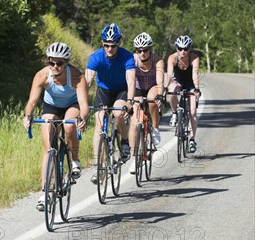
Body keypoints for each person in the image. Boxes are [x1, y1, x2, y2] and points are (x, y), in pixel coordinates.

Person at [23, 42, 89, 211]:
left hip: (72, 105)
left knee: (68, 127)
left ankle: (74, 160)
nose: (55, 66)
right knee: (48, 148)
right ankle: (44, 193)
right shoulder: (42, 76)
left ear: (66, 62)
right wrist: (28, 116)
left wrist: (82, 118)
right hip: (51, 107)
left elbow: (83, 104)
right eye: (51, 62)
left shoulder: (76, 76)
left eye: (59, 63)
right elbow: (32, 101)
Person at [85, 23, 135, 184]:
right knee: (99, 125)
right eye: (106, 45)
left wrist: (129, 102)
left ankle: (125, 141)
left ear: (119, 43)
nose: (109, 49)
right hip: (103, 91)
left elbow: (131, 80)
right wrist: (81, 103)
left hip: (121, 90)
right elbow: (87, 81)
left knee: (119, 113)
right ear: (102, 43)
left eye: (113, 46)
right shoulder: (95, 57)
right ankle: (97, 167)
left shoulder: (127, 56)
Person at [128, 32, 164, 173]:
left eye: (145, 50)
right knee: (134, 122)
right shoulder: (132, 60)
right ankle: (133, 158)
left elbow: (160, 80)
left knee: (152, 101)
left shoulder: (157, 60)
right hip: (137, 88)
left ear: (150, 49)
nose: (142, 53)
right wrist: (130, 101)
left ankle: (155, 128)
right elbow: (130, 80)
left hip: (152, 86)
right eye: (139, 50)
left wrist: (160, 95)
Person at [166, 35, 201, 153]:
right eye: (180, 48)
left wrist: (196, 89)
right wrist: (166, 87)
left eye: (186, 49)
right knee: (172, 90)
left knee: (192, 112)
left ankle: (192, 139)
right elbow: (170, 75)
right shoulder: (172, 58)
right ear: (176, 48)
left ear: (189, 49)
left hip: (190, 84)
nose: (183, 51)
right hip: (178, 82)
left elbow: (195, 74)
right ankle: (175, 113)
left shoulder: (194, 58)